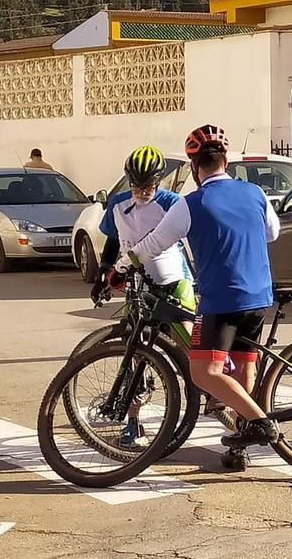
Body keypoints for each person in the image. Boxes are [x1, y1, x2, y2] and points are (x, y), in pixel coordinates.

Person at [112, 124, 280, 471]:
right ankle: (240, 443)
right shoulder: (254, 192)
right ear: (226, 162)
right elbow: (272, 233)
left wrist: (120, 267)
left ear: (193, 166)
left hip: (222, 298)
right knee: (242, 366)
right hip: (260, 294)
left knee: (203, 372)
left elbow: (153, 243)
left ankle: (261, 423)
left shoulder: (192, 203)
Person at [92, 146, 197, 448]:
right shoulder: (118, 204)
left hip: (174, 283)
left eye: (149, 185)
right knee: (134, 351)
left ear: (159, 181)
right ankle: (133, 422)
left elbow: (191, 241)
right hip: (138, 286)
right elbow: (113, 240)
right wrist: (102, 273)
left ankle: (208, 394)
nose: (143, 192)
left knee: (191, 347)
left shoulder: (172, 202)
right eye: (137, 186)